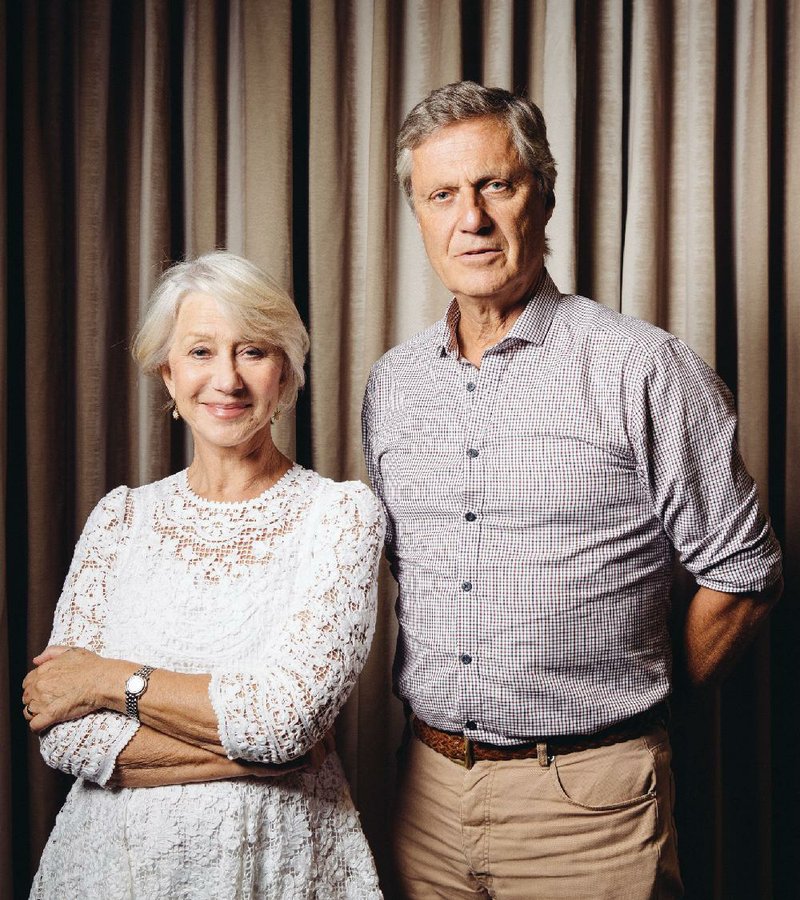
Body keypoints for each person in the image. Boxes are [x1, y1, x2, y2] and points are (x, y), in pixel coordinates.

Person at [362, 81, 783, 899]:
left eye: (497, 185)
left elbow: (743, 574)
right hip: (423, 795)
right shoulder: (392, 385)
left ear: (542, 196)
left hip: (589, 811)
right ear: (417, 214)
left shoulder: (642, 368)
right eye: (442, 194)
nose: (471, 220)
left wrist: (633, 707)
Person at [23, 250, 384, 899]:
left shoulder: (340, 515)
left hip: (273, 861)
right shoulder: (120, 518)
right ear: (167, 371)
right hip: (109, 867)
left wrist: (105, 681)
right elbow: (65, 735)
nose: (227, 379)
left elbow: (285, 722)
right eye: (200, 352)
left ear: (286, 371)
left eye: (253, 351)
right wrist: (263, 754)